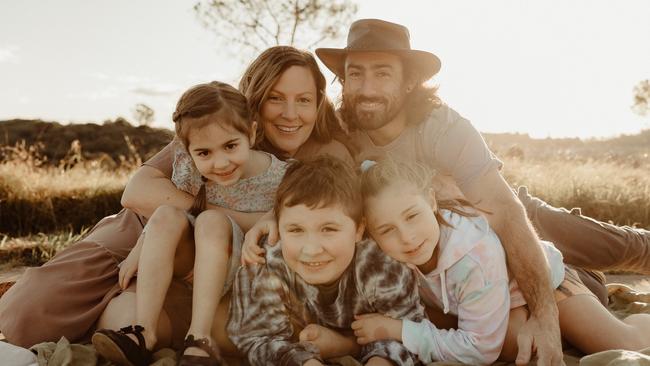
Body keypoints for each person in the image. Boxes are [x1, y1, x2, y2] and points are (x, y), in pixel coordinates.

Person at [241, 18, 650, 365]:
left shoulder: (444, 127)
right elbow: (311, 188)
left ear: (408, 82)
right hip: (451, 264)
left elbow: (506, 213)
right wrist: (275, 215)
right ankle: (587, 283)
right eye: (355, 74)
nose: (366, 88)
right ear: (343, 79)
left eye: (382, 73)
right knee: (509, 339)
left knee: (618, 253)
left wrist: (543, 314)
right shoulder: (340, 133)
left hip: (508, 224)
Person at [0, 46, 352, 350]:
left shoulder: (324, 155)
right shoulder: (219, 127)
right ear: (256, 99)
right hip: (138, 233)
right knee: (24, 318)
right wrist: (203, 214)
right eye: (276, 98)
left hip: (210, 262)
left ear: (319, 102)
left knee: (129, 318)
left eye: (303, 100)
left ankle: (132, 326)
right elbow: (137, 191)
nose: (291, 114)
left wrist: (243, 221)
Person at [353, 158, 650, 365]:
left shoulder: (472, 256)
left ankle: (631, 314)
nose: (406, 237)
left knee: (622, 344)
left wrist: (399, 330)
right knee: (510, 345)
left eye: (412, 216)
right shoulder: (382, 253)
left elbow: (481, 349)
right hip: (494, 294)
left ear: (431, 201)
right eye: (387, 229)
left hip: (543, 280)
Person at [89, 81, 288, 365]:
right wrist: (139, 249)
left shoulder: (278, 176)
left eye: (230, 146)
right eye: (204, 153)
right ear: (188, 150)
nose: (220, 163)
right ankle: (143, 332)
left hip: (238, 266)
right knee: (169, 211)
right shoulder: (189, 166)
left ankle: (199, 338)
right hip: (193, 261)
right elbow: (164, 216)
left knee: (210, 219)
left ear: (252, 133)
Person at [228, 156, 425, 366]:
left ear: (359, 229)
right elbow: (256, 337)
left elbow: (407, 328)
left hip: (364, 339)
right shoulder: (265, 259)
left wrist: (381, 361)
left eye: (328, 229)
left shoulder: (380, 261)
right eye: (296, 230)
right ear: (279, 226)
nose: (311, 250)